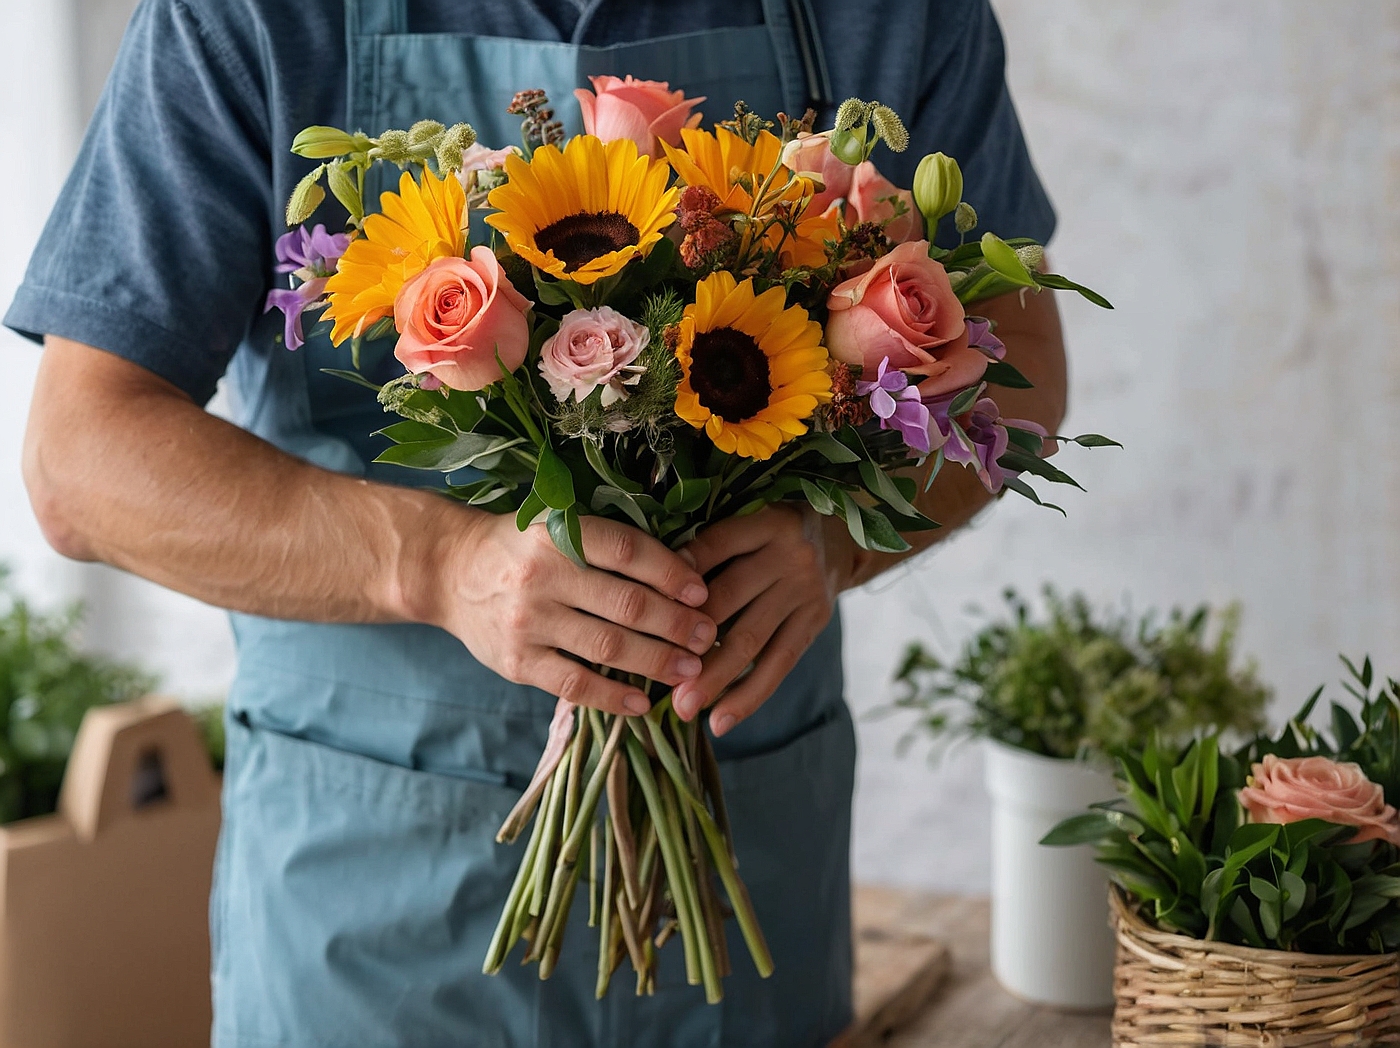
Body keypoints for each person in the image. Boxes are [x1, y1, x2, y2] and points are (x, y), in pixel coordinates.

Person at [7, 0, 1066, 1044]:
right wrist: (429, 563)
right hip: (374, 896)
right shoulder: (241, 17)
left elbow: (1018, 365)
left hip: (744, 858)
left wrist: (830, 543)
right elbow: (82, 455)